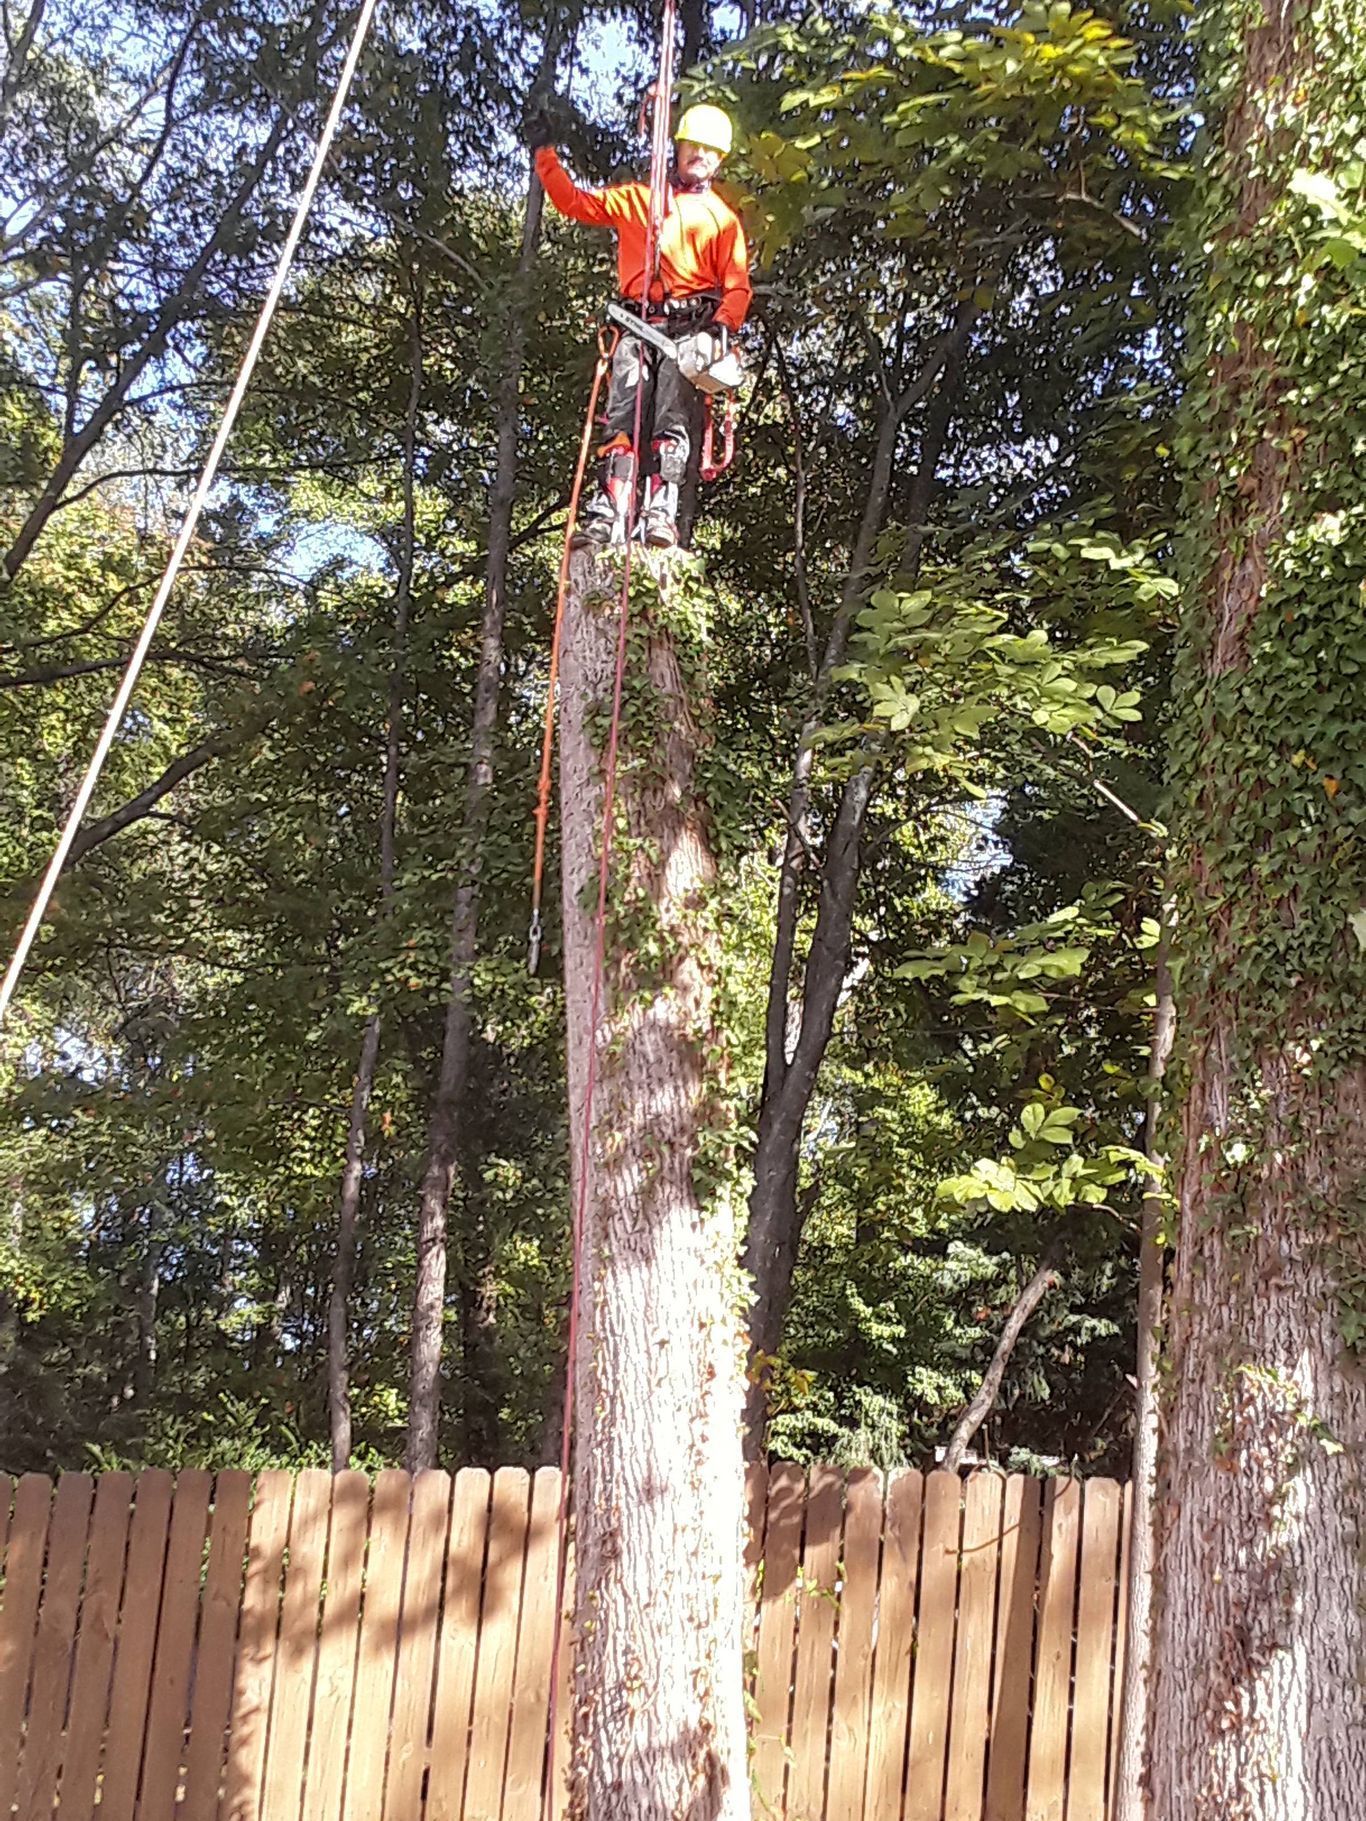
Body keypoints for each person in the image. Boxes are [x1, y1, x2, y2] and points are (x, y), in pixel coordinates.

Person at [530, 103, 752, 550]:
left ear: (720, 159)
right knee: (622, 416)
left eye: (711, 151)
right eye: (695, 146)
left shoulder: (722, 220)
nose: (701, 156)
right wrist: (544, 154)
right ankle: (611, 509)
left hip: (691, 331)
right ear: (679, 146)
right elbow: (573, 202)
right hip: (637, 324)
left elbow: (737, 287)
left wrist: (720, 329)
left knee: (671, 419)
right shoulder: (637, 199)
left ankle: (659, 511)